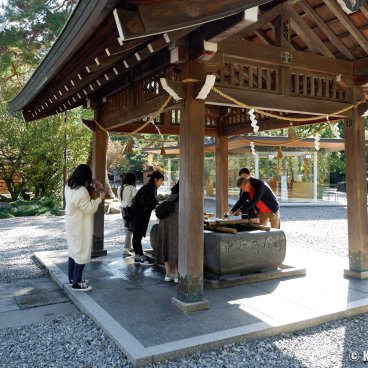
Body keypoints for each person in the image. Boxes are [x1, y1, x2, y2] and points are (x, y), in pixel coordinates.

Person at [64, 164, 105, 291]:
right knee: (81, 253)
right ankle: (76, 283)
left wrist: (93, 182)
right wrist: (99, 199)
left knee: (73, 252)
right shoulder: (81, 191)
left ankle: (72, 279)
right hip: (80, 226)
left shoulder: (69, 185)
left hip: (71, 224)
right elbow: (89, 209)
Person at [129, 170, 164, 265]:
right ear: (155, 179)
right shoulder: (149, 187)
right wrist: (156, 206)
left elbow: (153, 200)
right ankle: (140, 257)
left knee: (137, 235)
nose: (162, 182)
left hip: (139, 214)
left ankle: (138, 256)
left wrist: (160, 206)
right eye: (161, 180)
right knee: (137, 235)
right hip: (138, 214)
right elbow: (144, 202)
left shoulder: (150, 187)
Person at [156, 181, 179, 283]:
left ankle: (168, 273)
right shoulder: (183, 197)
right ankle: (177, 274)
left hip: (163, 224)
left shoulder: (172, 196)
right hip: (174, 226)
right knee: (175, 247)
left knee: (165, 246)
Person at [118, 172, 137, 257]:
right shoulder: (131, 188)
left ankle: (129, 246)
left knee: (127, 228)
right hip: (130, 209)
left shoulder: (120, 187)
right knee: (130, 229)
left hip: (123, 209)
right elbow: (137, 199)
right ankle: (126, 249)